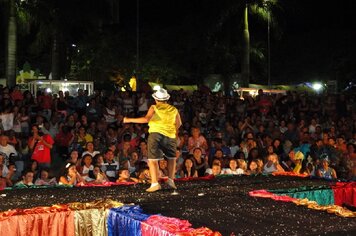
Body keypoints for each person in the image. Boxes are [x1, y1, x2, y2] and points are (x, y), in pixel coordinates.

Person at [123, 88, 182, 192]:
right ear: (166, 99)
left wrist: (129, 119)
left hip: (156, 135)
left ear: (156, 99)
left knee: (153, 160)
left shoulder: (154, 107)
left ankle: (155, 183)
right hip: (171, 136)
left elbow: (146, 119)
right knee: (171, 158)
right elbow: (179, 124)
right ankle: (171, 180)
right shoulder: (174, 109)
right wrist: (173, 132)